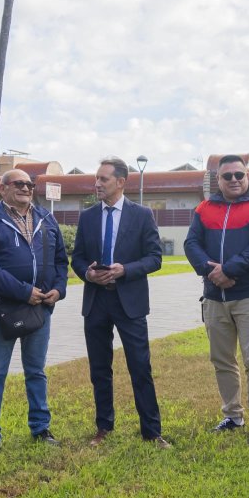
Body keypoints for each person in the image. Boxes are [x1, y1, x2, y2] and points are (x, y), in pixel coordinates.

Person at [71, 157, 170, 449]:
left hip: (130, 301)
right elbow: (76, 257)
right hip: (96, 301)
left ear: (121, 182)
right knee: (99, 369)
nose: (97, 183)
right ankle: (104, 427)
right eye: (96, 178)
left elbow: (155, 258)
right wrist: (88, 273)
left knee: (140, 366)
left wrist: (125, 269)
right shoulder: (88, 216)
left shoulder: (142, 215)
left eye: (103, 179)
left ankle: (151, 431)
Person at [0, 169, 68, 453]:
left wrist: (59, 290)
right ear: (2, 189)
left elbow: (61, 260)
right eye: (19, 183)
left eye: (30, 184)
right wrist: (23, 292)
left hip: (40, 307)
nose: (26, 188)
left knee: (36, 371)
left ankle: (41, 428)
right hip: (3, 309)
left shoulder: (47, 219)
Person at [184, 155, 249, 444]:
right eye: (228, 176)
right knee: (222, 359)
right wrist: (212, 273)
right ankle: (233, 415)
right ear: (218, 180)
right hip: (214, 297)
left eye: (240, 174)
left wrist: (229, 270)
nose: (235, 180)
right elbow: (191, 244)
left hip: (248, 295)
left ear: (247, 176)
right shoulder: (204, 208)